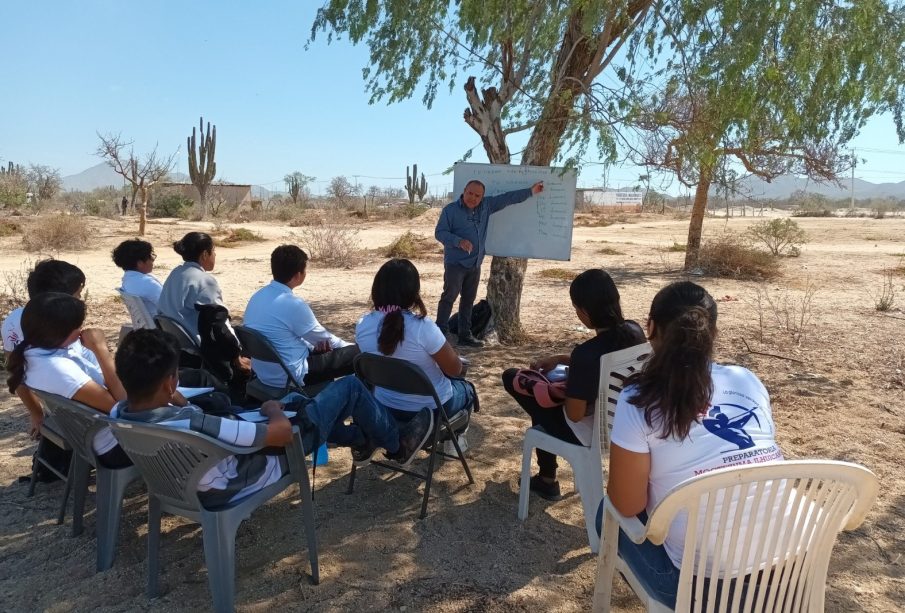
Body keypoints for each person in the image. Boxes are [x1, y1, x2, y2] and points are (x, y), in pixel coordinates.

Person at [604, 281, 784, 608]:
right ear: (712, 332)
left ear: (651, 327)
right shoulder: (748, 379)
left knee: (608, 509)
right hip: (786, 576)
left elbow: (627, 506)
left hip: (703, 591)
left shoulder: (638, 399)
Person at [113, 329, 435, 506]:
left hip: (195, 480)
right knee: (348, 388)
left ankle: (363, 438)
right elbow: (279, 435)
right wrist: (270, 411)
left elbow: (185, 411)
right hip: (264, 463)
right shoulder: (196, 426)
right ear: (171, 382)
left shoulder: (121, 414)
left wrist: (176, 397)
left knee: (298, 400)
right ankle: (396, 444)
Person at [502, 269, 645, 501]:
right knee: (541, 399)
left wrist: (559, 387)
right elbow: (606, 363)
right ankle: (546, 479)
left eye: (576, 308)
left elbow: (575, 414)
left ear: (585, 312)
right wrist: (562, 360)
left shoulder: (586, 354)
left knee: (517, 381)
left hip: (590, 432)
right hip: (623, 424)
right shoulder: (634, 331)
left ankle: (547, 478)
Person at [6, 293, 132, 468]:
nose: (82, 331)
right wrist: (101, 349)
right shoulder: (58, 369)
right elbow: (122, 407)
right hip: (117, 446)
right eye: (78, 327)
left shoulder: (33, 352)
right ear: (60, 333)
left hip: (95, 437)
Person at [356, 258, 476, 440]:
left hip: (385, 405)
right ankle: (451, 442)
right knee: (467, 390)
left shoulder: (363, 325)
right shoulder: (423, 328)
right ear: (414, 293)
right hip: (431, 409)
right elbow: (455, 369)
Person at [434, 179, 545, 347]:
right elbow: (440, 233)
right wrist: (458, 241)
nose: (473, 198)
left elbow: (509, 198)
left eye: (477, 195)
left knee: (468, 301)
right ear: (464, 190)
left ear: (482, 197)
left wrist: (531, 191)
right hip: (455, 264)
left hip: (475, 264)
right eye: (470, 193)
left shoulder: (487, 206)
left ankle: (465, 335)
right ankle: (439, 335)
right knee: (449, 297)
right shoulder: (450, 211)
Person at [243, 245, 359, 389]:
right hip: (289, 376)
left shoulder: (257, 296)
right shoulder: (292, 304)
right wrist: (354, 348)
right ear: (298, 275)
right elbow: (327, 340)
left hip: (264, 373)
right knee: (358, 354)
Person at [2, 259, 86, 439]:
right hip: (80, 414)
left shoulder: (12, 321)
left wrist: (36, 413)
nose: (79, 300)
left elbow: (15, 372)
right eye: (77, 295)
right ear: (59, 300)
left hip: (54, 408)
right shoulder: (60, 332)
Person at [157, 232, 224, 339]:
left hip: (174, 342)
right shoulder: (204, 280)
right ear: (205, 254)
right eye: (213, 251)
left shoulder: (176, 273)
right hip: (195, 345)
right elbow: (219, 321)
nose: (215, 255)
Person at [112, 238, 163, 314]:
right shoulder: (147, 283)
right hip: (165, 323)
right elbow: (168, 306)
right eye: (150, 257)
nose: (153, 260)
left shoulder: (128, 279)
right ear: (140, 263)